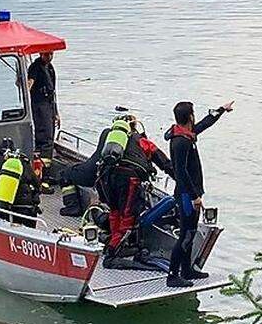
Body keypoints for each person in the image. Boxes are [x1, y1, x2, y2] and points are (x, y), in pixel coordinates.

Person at [164, 100, 233, 287]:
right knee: (185, 235)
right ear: (189, 117)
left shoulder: (187, 134)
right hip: (187, 195)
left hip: (192, 193)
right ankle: (172, 275)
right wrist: (194, 196)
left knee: (191, 232)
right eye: (193, 113)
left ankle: (187, 270)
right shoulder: (180, 142)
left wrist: (220, 111)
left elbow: (203, 125)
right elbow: (181, 172)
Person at [96, 115, 175, 264]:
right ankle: (115, 249)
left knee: (115, 212)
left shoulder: (111, 141)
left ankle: (113, 240)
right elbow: (163, 161)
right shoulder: (141, 140)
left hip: (108, 178)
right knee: (128, 214)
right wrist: (180, 179)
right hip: (129, 179)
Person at [26, 52, 59, 158]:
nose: (49, 57)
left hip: (49, 103)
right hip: (40, 104)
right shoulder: (35, 67)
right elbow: (30, 82)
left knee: (50, 135)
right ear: (41, 54)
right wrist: (26, 86)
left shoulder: (50, 68)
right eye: (46, 54)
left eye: (51, 54)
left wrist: (56, 113)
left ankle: (47, 158)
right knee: (45, 135)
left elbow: (53, 92)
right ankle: (44, 163)